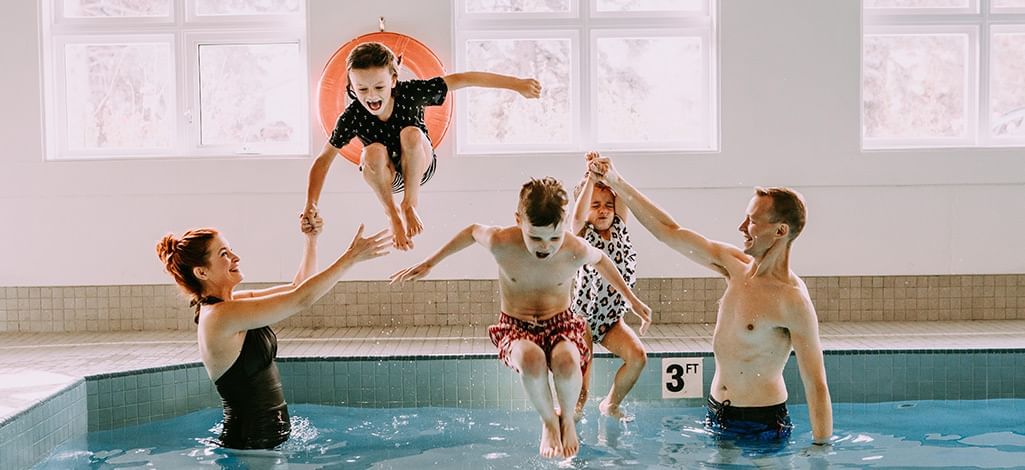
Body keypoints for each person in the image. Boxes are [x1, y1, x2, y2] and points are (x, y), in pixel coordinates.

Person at [389, 177, 652, 459]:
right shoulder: (502, 241)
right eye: (535, 237)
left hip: (561, 323)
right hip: (516, 328)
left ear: (564, 226)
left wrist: (632, 300)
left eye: (553, 237)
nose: (545, 247)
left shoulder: (573, 247)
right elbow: (471, 231)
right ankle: (549, 421)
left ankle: (566, 418)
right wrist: (431, 262)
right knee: (531, 359)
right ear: (519, 222)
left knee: (567, 360)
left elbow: (602, 261)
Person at [588, 155, 833, 445]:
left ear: (780, 231)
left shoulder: (793, 300)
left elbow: (816, 385)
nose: (742, 226)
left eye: (752, 221)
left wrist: (821, 452)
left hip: (762, 424)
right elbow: (669, 232)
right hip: (717, 414)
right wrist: (616, 181)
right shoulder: (735, 266)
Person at [155, 220, 390, 449]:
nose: (236, 258)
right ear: (202, 272)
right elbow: (302, 299)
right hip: (250, 445)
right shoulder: (219, 316)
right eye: (224, 254)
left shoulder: (235, 304)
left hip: (264, 442)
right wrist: (351, 257)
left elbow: (299, 286)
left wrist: (311, 241)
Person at [303, 41, 542, 251]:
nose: (371, 96)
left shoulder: (410, 93)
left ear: (393, 80)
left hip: (419, 165)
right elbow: (324, 159)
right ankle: (392, 212)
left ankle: (409, 203)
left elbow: (462, 79)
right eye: (362, 89)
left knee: (411, 134)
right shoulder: (352, 116)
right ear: (352, 86)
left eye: (379, 87)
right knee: (372, 152)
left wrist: (516, 84)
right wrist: (310, 204)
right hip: (387, 175)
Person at [570, 151, 649, 422]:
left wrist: (609, 169)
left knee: (638, 357)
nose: (603, 209)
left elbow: (622, 193)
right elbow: (578, 214)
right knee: (583, 373)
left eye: (607, 204)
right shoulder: (581, 234)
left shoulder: (620, 227)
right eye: (596, 205)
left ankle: (611, 404)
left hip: (611, 319)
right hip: (583, 319)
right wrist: (591, 178)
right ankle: (576, 411)